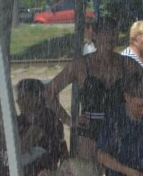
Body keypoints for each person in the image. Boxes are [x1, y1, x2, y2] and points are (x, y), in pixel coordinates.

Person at [47, 16, 137, 159]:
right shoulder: (81, 65)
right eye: (105, 32)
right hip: (90, 132)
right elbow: (49, 92)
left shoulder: (127, 64)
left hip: (120, 129)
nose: (110, 37)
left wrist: (136, 114)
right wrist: (69, 121)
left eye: (114, 33)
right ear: (94, 35)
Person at [15, 78, 66, 176]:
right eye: (18, 97)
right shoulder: (20, 120)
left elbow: (23, 145)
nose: (18, 101)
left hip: (44, 168)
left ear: (36, 98)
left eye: (22, 97)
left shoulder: (46, 117)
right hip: (29, 167)